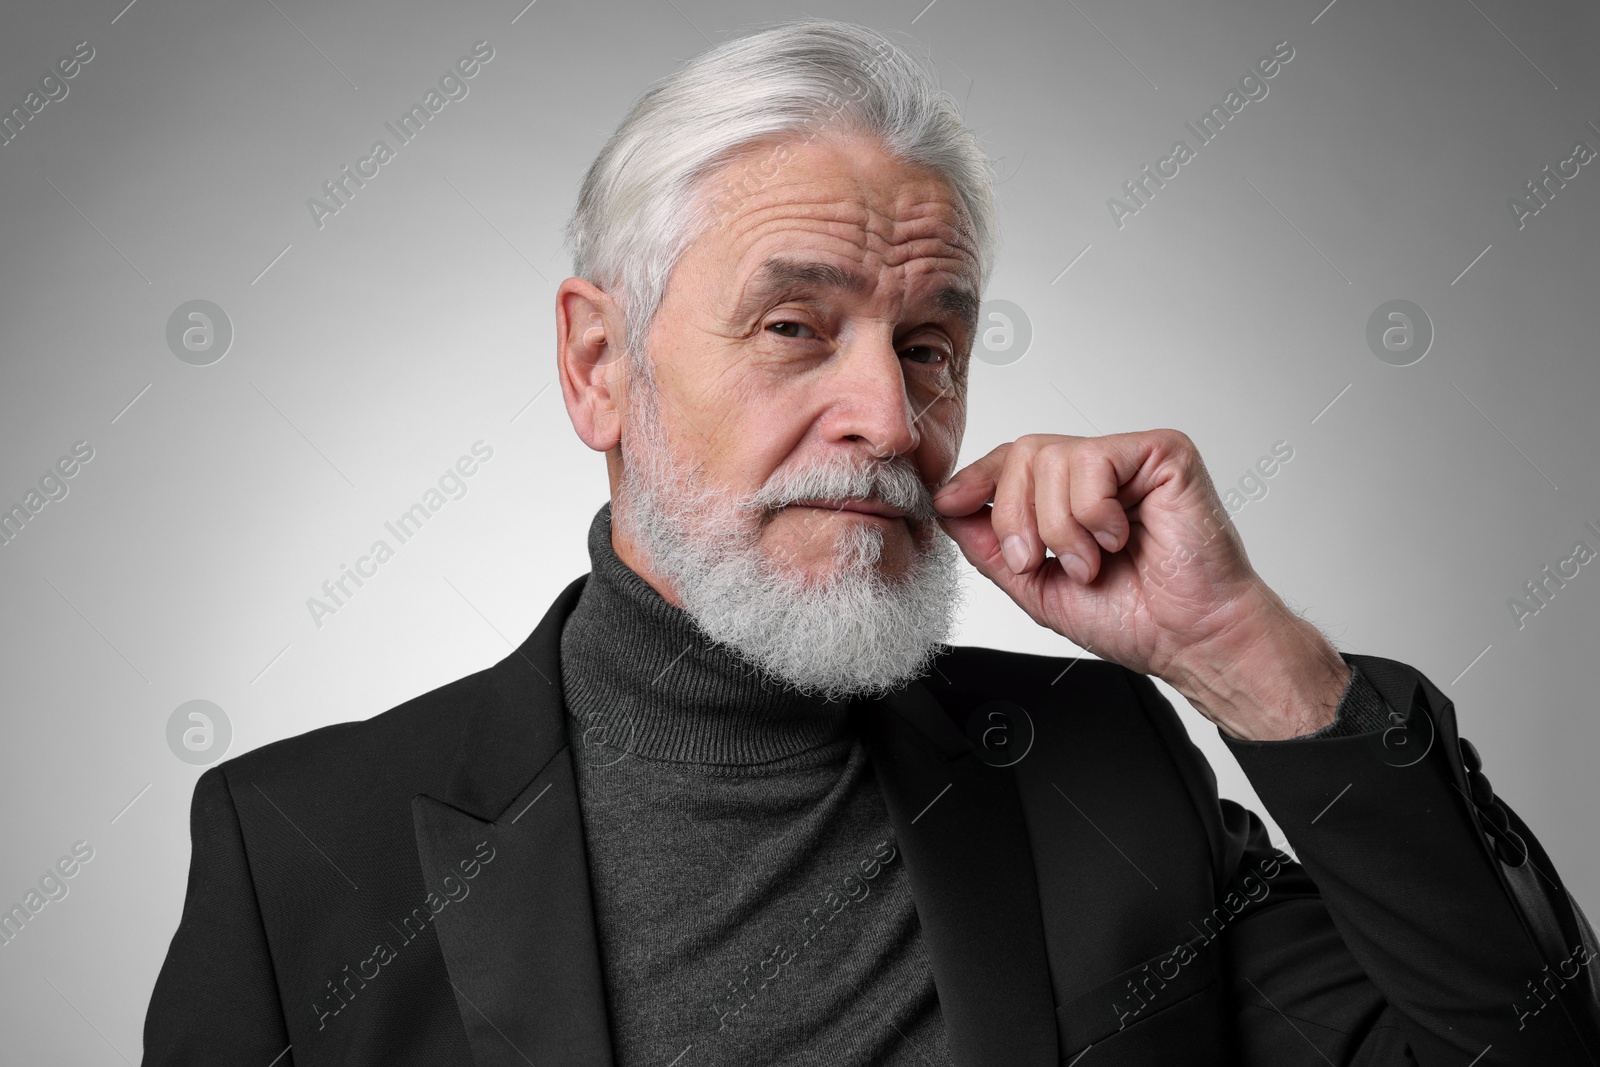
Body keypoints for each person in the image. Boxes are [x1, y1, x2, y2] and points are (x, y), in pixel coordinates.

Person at [142, 18, 1600, 1065]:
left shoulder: (1102, 770)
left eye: (929, 346)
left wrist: (1243, 657)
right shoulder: (300, 855)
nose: (892, 420)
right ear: (599, 366)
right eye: (794, 328)